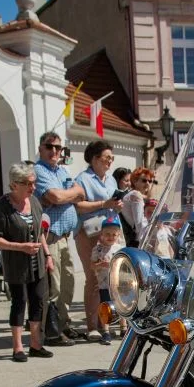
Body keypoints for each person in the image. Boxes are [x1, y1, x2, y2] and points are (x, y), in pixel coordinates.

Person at [0, 163, 55, 362]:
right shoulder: (2, 206)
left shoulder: (34, 202)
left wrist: (48, 255)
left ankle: (35, 344)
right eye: (28, 184)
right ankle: (18, 348)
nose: (32, 188)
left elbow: (40, 232)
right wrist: (21, 247)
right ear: (14, 185)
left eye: (33, 183)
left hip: (38, 262)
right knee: (19, 303)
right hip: (16, 263)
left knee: (38, 302)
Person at [34, 132, 85, 347]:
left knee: (67, 283)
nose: (54, 151)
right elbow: (54, 197)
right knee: (52, 286)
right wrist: (68, 194)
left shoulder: (62, 171)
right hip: (50, 237)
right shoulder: (38, 171)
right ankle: (51, 331)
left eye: (58, 148)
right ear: (41, 148)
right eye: (49, 147)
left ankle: (63, 324)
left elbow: (81, 193)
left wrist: (66, 194)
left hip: (65, 237)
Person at [73, 139, 123, 342]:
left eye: (112, 158)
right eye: (106, 158)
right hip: (90, 233)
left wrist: (116, 206)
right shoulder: (82, 179)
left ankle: (108, 323)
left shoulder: (110, 180)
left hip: (111, 234)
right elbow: (78, 206)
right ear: (94, 159)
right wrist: (104, 203)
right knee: (94, 278)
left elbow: (112, 204)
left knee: (114, 279)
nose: (110, 162)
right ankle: (92, 326)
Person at [91, 214, 125, 344]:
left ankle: (123, 328)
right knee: (106, 307)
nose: (110, 237)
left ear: (118, 235)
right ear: (102, 234)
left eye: (114, 234)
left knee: (121, 306)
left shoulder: (121, 249)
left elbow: (124, 265)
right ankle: (105, 331)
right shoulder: (98, 249)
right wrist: (100, 265)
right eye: (107, 234)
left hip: (118, 283)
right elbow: (92, 265)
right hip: (104, 284)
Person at [120, 167, 155, 247]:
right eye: (144, 180)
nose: (147, 184)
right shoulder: (136, 195)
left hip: (131, 239)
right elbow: (139, 224)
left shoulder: (132, 194)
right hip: (137, 242)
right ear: (135, 181)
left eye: (149, 181)